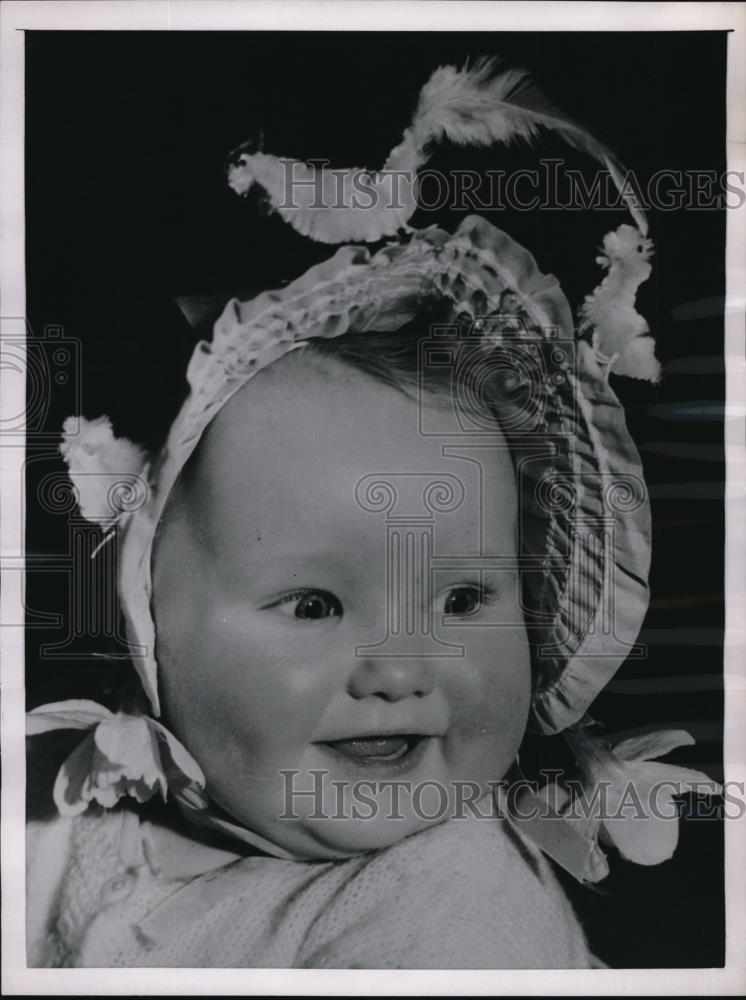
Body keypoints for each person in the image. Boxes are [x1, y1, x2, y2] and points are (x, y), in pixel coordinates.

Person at [25, 58, 718, 969]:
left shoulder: (456, 920)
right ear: (148, 624)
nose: (400, 672)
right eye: (314, 604)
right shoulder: (64, 813)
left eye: (464, 600)